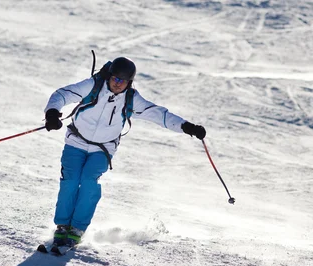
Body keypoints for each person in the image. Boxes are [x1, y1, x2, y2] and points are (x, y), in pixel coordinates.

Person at [43, 56, 206, 248]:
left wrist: (187, 127)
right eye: (115, 79)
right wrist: (52, 113)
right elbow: (62, 95)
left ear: (129, 82)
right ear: (109, 76)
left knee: (88, 180)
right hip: (76, 141)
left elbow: (159, 115)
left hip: (102, 148)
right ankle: (63, 226)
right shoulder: (93, 86)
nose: (118, 84)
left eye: (123, 81)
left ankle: (77, 229)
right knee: (70, 180)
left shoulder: (131, 99)